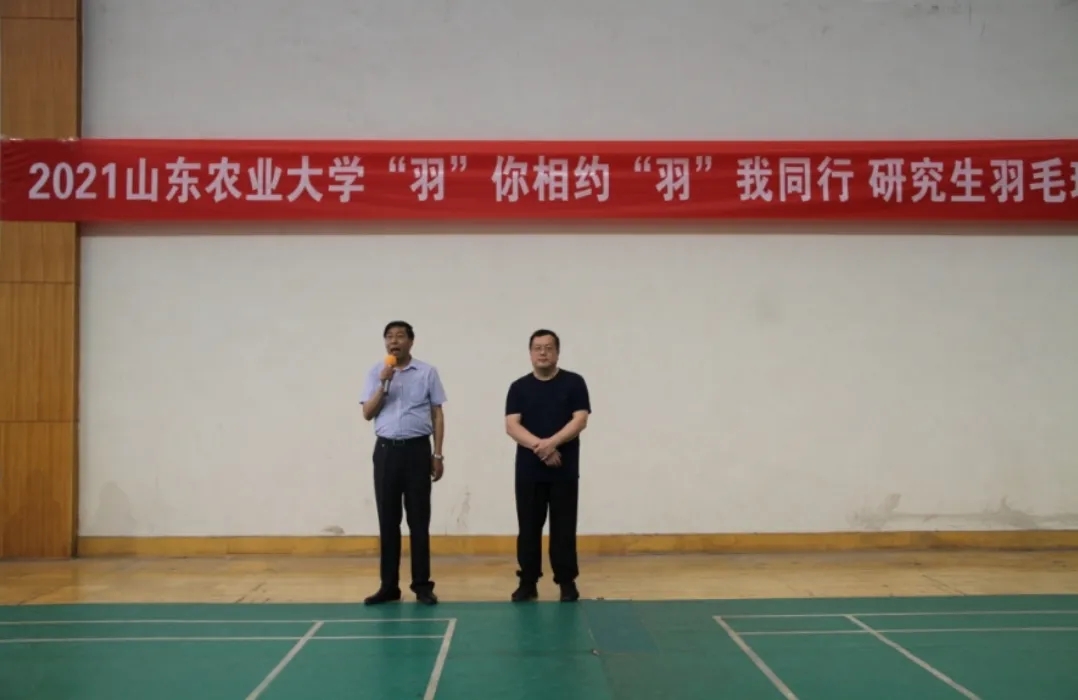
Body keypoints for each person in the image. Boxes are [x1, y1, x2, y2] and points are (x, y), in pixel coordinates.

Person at [359, 320, 446, 606]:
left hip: (418, 450)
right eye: (389, 337)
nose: (393, 341)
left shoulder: (427, 372)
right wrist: (383, 384)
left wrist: (437, 454)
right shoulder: (376, 372)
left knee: (419, 520)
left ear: (411, 341)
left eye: (399, 336)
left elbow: (437, 414)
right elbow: (367, 413)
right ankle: (389, 586)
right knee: (388, 520)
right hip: (386, 452)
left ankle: (422, 585)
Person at [504, 329, 591, 602]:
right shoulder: (518, 387)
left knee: (564, 528)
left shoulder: (574, 383)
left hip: (564, 469)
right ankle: (528, 582)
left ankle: (566, 582)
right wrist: (541, 449)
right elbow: (512, 425)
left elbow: (580, 420)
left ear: (557, 352)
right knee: (528, 528)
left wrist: (552, 443)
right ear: (530, 353)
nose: (543, 353)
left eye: (549, 348)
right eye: (537, 348)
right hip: (529, 472)